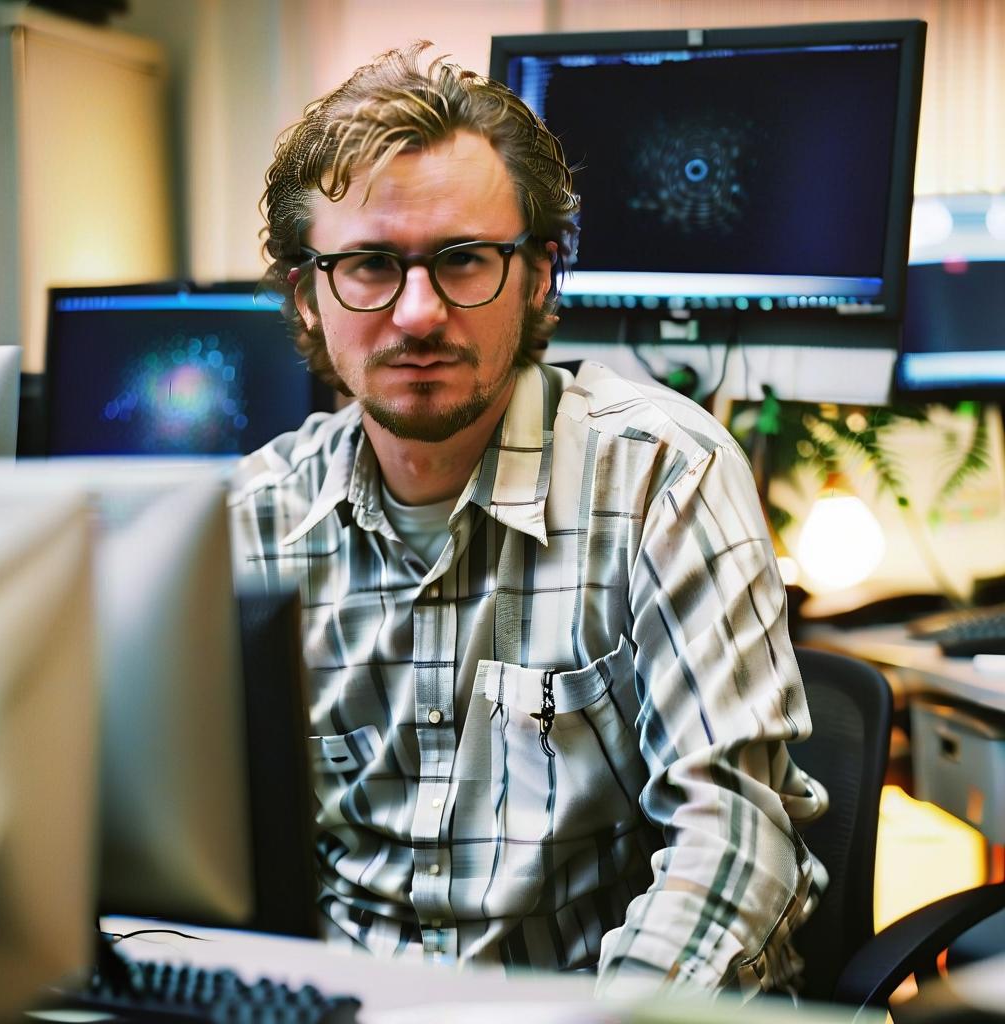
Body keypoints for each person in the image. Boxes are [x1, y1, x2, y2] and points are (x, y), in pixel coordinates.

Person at [229, 42, 827, 1001]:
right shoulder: (254, 519)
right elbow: (197, 852)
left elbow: (733, 837)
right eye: (371, 266)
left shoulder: (662, 477)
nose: (418, 314)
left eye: (464, 260)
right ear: (307, 294)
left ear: (541, 275)